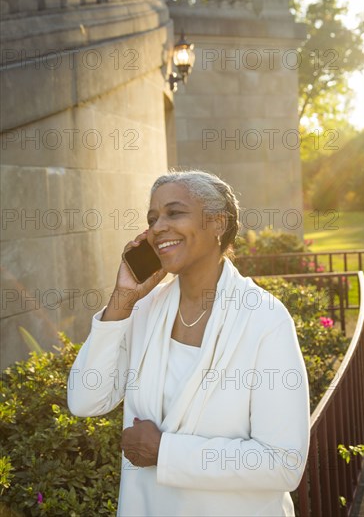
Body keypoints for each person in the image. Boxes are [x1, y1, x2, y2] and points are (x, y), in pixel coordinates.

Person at [67, 169, 310, 517]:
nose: (157, 227)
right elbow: (85, 399)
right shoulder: (145, 309)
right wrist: (122, 299)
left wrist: (165, 452)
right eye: (152, 218)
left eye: (174, 212)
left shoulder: (265, 319)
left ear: (217, 223)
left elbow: (283, 462)